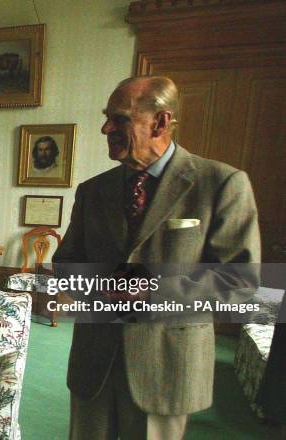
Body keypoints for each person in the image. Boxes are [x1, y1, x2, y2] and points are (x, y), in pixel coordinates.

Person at [53, 76, 260, 439]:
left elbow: (239, 282)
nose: (106, 128)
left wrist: (150, 291)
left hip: (165, 366)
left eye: (119, 119)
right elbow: (66, 263)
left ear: (161, 122)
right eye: (107, 118)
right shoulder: (93, 190)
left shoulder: (221, 183)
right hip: (94, 363)